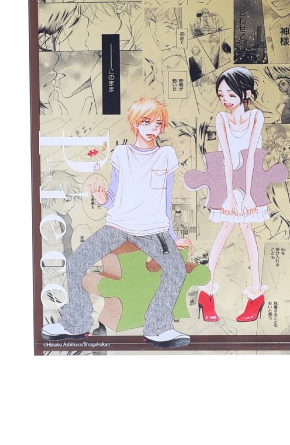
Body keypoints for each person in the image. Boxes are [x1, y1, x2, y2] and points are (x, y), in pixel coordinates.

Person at [41, 97, 191, 349]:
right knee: (76, 262)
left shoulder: (166, 155)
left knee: (176, 270)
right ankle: (76, 324)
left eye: (157, 123)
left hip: (153, 229)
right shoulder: (122, 154)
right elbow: (112, 198)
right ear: (135, 124)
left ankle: (157, 328)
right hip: (118, 225)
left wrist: (173, 238)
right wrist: (101, 197)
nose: (152, 128)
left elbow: (166, 200)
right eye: (146, 122)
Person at [198, 67, 269, 323]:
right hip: (227, 180)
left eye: (230, 93)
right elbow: (226, 158)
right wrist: (228, 196)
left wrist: (248, 195)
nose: (225, 99)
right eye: (221, 94)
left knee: (247, 229)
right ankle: (207, 292)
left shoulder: (256, 116)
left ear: (246, 93)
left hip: (250, 180)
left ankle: (256, 294)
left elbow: (251, 157)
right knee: (228, 226)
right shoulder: (222, 119)